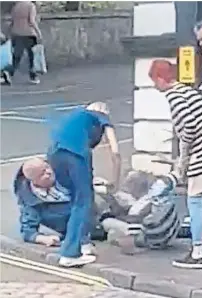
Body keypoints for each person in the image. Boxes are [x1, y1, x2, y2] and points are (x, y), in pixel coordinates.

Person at [148, 59, 202, 269]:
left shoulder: (174, 96)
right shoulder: (189, 91)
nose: (154, 85)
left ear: (161, 79)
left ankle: (197, 253)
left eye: (154, 80)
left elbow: (188, 127)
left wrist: (184, 158)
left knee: (194, 199)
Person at [46, 102, 121, 267]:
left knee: (77, 199)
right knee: (83, 202)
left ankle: (84, 244)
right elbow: (115, 152)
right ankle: (70, 254)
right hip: (76, 155)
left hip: (54, 155)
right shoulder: (101, 117)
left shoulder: (75, 116)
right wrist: (115, 182)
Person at [3, 1, 42, 85]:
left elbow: (12, 22)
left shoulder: (15, 6)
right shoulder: (31, 6)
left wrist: (8, 33)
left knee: (17, 56)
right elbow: (31, 21)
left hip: (16, 33)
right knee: (32, 56)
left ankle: (9, 72)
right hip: (29, 34)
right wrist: (38, 32)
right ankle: (33, 76)